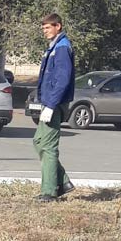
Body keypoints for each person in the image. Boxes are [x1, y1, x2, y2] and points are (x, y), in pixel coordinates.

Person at [33, 13, 75, 202]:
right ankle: (63, 181)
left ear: (58, 26)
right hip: (48, 102)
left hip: (54, 103)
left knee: (48, 146)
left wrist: (51, 104)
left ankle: (49, 191)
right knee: (39, 141)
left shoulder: (62, 48)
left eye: (48, 27)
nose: (45, 31)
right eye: (43, 28)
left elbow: (62, 79)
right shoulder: (54, 47)